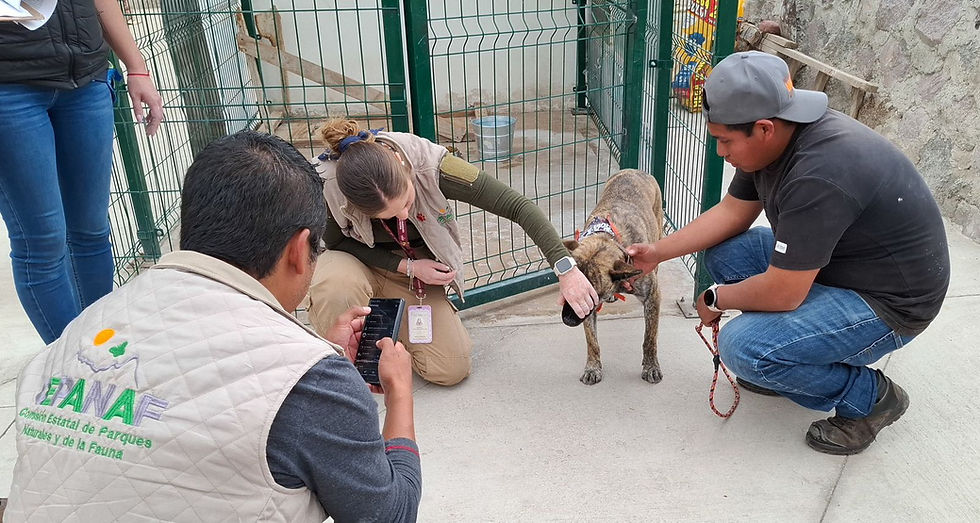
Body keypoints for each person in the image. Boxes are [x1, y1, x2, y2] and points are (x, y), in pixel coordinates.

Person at [7, 131, 422, 522]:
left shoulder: (81, 327)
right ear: (300, 249)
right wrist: (399, 395)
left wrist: (316, 358)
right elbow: (389, 513)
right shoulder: (313, 382)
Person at [627, 51, 950, 455]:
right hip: (841, 269)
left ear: (763, 128)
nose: (720, 152)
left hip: (889, 306)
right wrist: (656, 251)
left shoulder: (820, 172)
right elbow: (732, 213)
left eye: (725, 140)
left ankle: (869, 399)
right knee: (725, 255)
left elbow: (784, 293)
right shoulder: (778, 136)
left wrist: (715, 298)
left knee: (742, 348)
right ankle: (785, 359)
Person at [308, 120, 599, 386]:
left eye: (407, 202)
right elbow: (337, 244)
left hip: (415, 273)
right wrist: (406, 266)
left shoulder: (433, 164)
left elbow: (518, 206)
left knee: (450, 369)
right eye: (390, 214)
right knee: (334, 284)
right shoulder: (329, 185)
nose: (404, 214)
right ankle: (341, 362)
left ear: (401, 164)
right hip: (359, 264)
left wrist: (567, 270)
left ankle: (390, 323)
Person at [0, 0, 164, 344]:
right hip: (9, 88)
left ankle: (103, 349)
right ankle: (73, 367)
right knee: (42, 242)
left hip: (86, 77)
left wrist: (136, 66)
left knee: (91, 231)